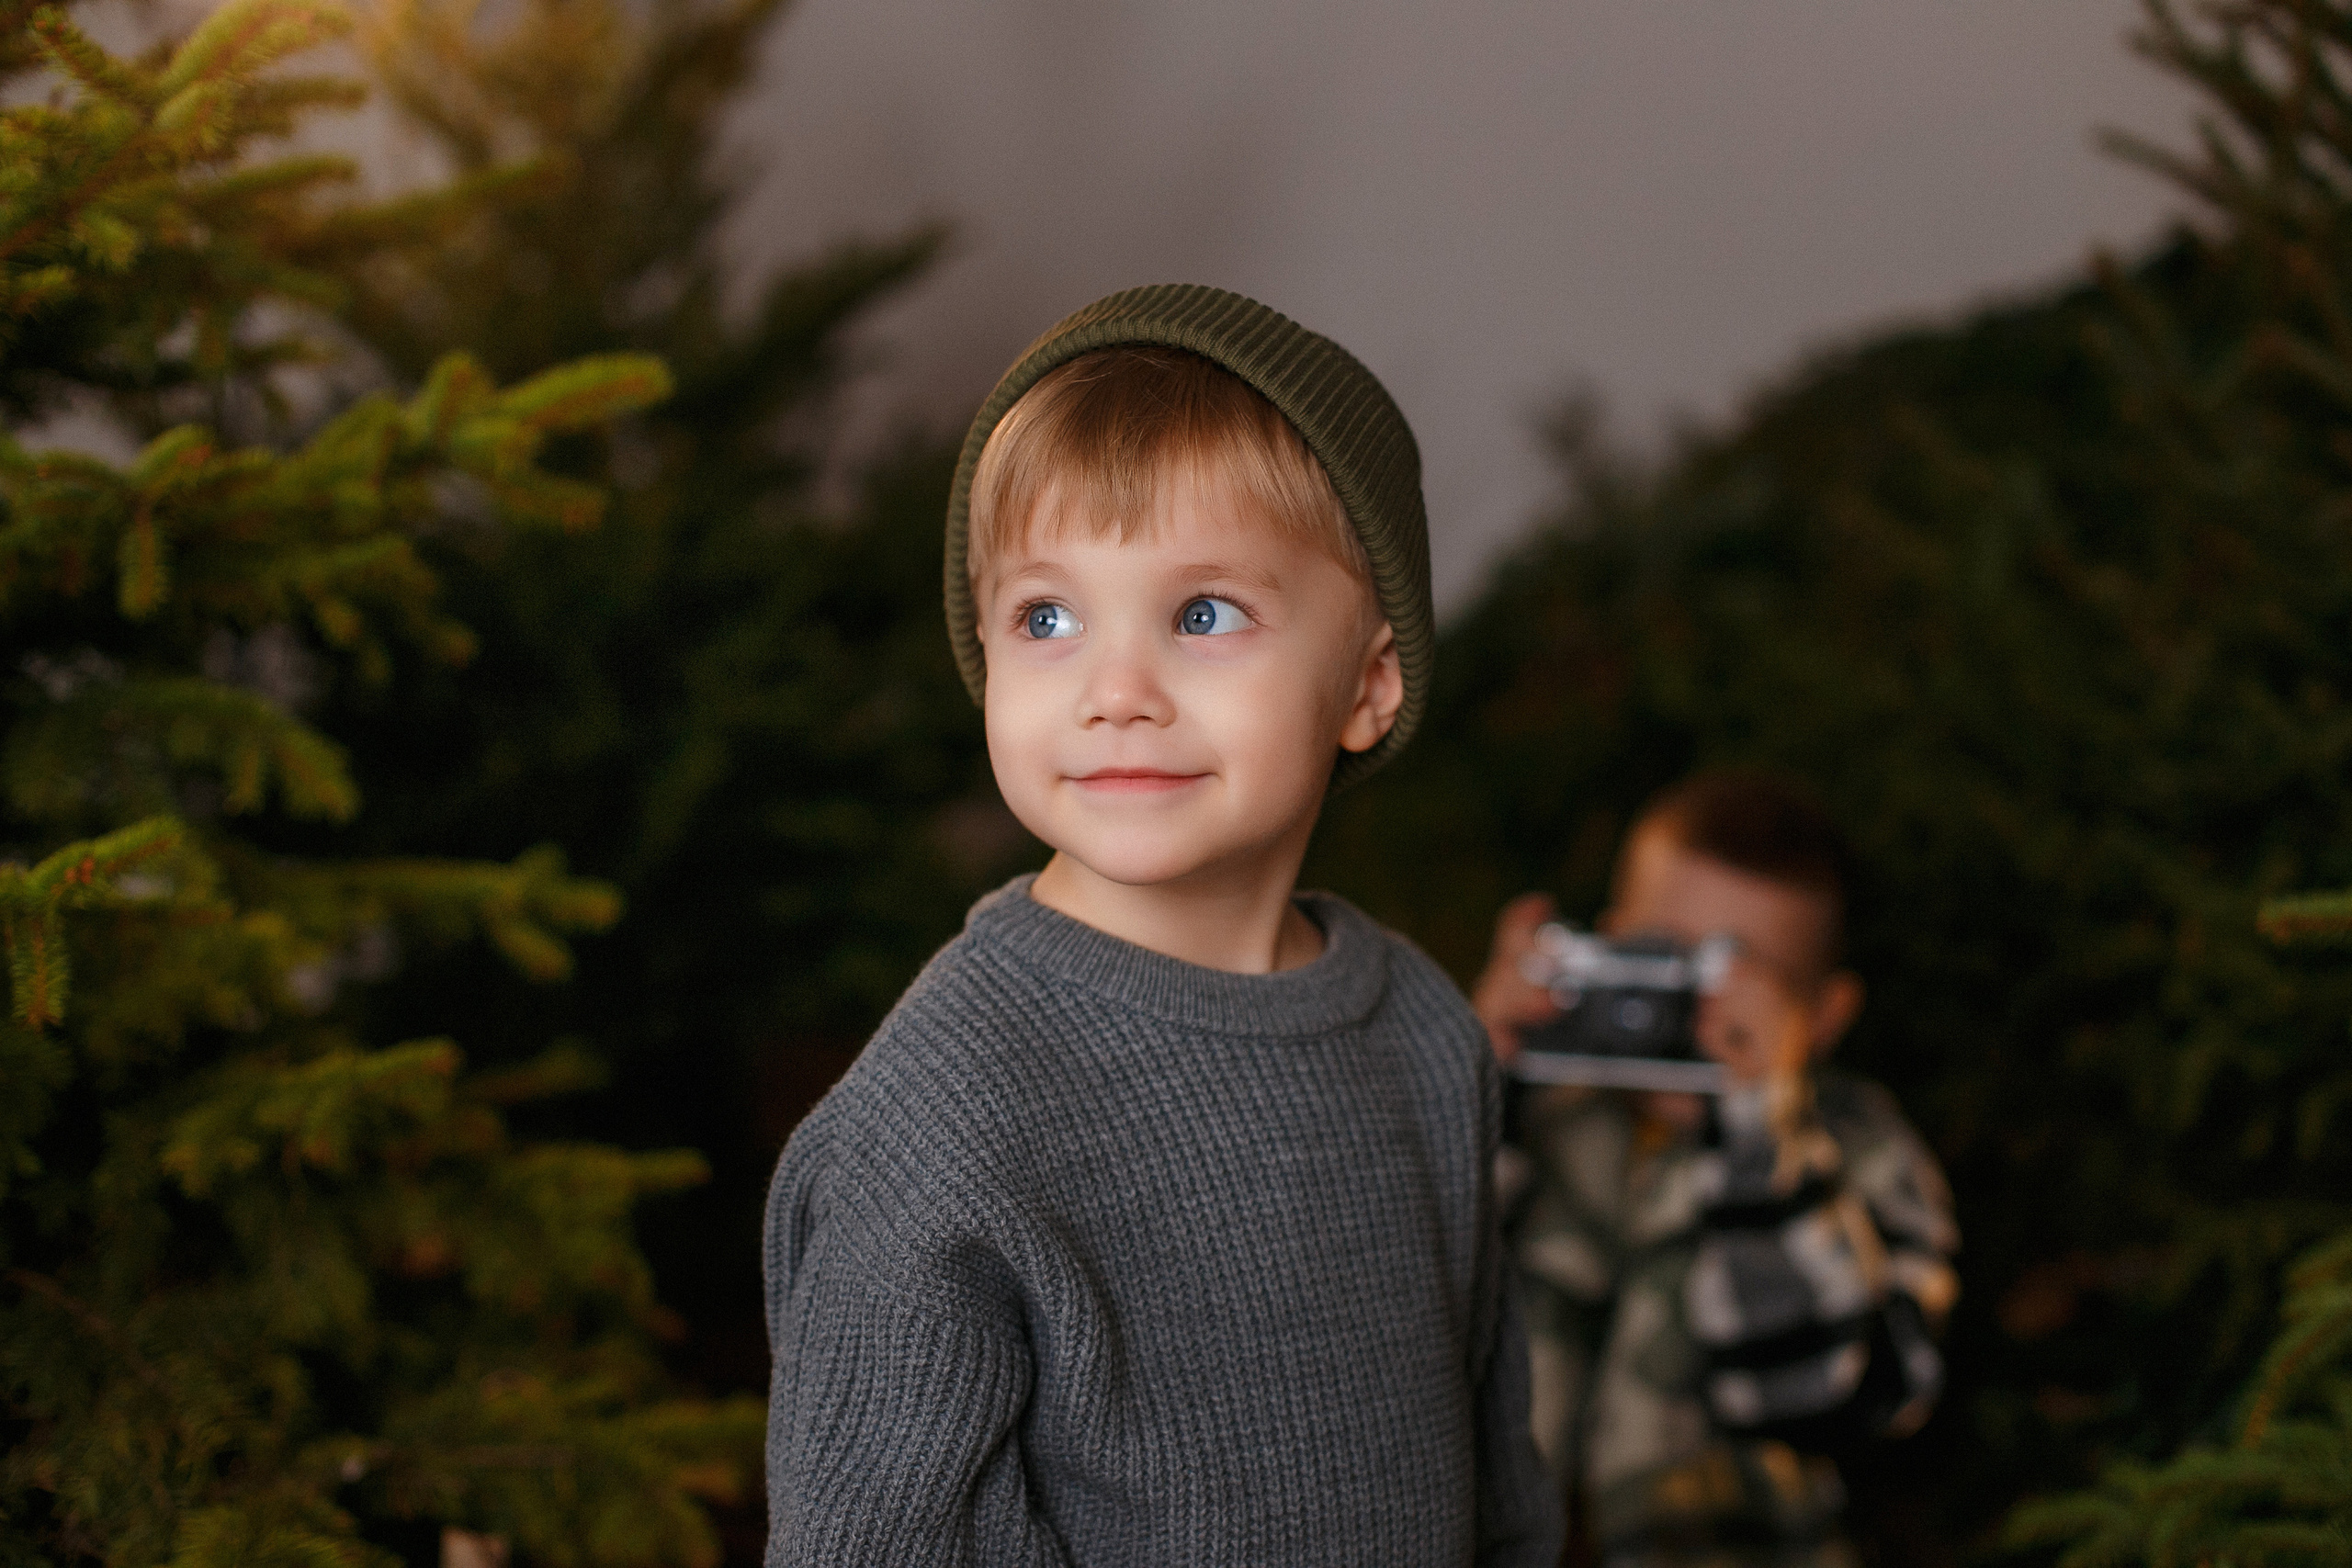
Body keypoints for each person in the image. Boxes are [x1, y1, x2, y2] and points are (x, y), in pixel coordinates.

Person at [763, 285, 1560, 1565]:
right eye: (1048, 617)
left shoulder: (1421, 1030)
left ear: (1367, 683)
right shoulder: (945, 1110)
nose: (1116, 691)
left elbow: (1491, 1469)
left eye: (1203, 614)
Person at [1471, 773, 1959, 1568]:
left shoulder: (1858, 1148)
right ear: (1606, 944)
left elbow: (1841, 1394)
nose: (1688, 1009)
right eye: (1663, 957)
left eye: (1734, 971)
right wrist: (1478, 1085)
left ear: (1825, 1015)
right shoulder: (1554, 1116)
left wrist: (1761, 1139)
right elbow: (1392, 1308)